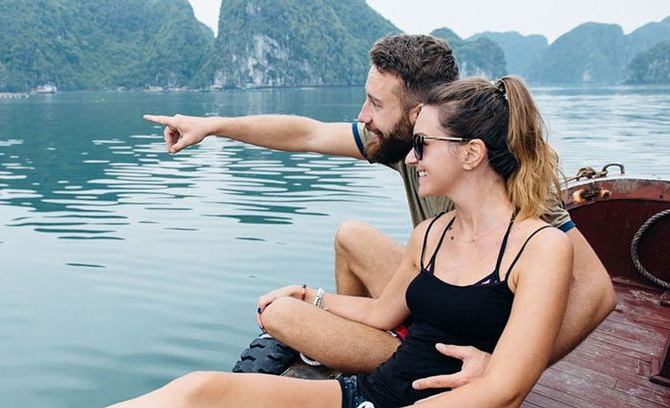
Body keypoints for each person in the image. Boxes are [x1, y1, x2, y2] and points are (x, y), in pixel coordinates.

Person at [143, 35, 616, 387]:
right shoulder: (403, 146)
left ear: (418, 113)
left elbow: (596, 293)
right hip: (437, 298)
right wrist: (214, 125)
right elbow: (305, 134)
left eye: (374, 102)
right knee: (352, 234)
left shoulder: (507, 174)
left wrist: (505, 369)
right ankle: (350, 354)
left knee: (282, 316)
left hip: (470, 335)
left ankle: (366, 361)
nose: (363, 115)